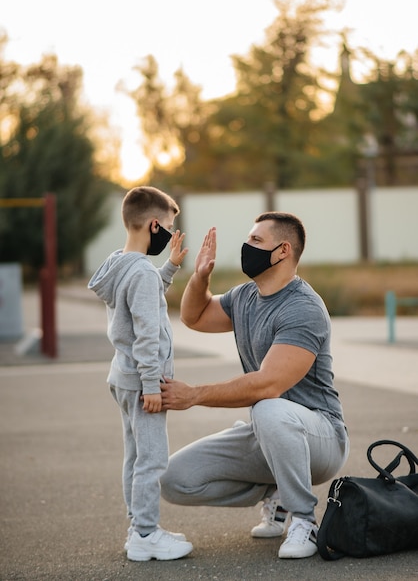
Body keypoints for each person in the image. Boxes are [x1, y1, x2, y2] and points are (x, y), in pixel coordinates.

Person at [160, 212, 349, 560]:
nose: (247, 247)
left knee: (269, 406)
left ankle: (303, 521)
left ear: (283, 251)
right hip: (270, 432)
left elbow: (268, 385)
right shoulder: (246, 296)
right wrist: (200, 277)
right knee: (173, 479)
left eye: (257, 241)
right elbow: (195, 317)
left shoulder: (303, 308)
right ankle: (274, 492)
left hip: (321, 438)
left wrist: (194, 395)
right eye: (249, 239)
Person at [88, 186, 193, 562]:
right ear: (153, 225)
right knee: (151, 460)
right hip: (143, 382)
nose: (169, 233)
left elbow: (139, 302)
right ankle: (146, 535)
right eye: (167, 226)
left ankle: (138, 524)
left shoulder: (119, 264)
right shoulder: (142, 275)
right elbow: (148, 333)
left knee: (134, 457)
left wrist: (170, 268)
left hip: (122, 377)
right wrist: (153, 384)